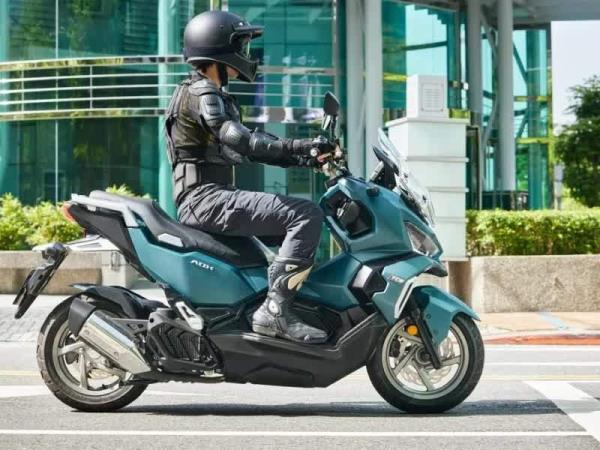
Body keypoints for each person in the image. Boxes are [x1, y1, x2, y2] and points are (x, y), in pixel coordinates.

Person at [164, 10, 335, 344]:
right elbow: (242, 141)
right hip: (205, 199)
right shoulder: (202, 93)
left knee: (290, 237)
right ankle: (275, 312)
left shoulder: (205, 92)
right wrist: (302, 145)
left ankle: (286, 307)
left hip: (209, 197)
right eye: (240, 46)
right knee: (305, 215)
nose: (246, 54)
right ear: (218, 49)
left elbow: (254, 151)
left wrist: (306, 157)